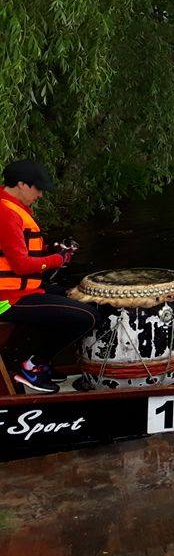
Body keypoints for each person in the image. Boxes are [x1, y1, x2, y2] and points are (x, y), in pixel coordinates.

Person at [1, 160, 98, 394]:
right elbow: (22, 265)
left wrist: (52, 253)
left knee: (83, 299)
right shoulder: (5, 213)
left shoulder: (12, 208)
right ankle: (31, 367)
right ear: (22, 185)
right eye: (38, 188)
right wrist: (57, 260)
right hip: (6, 299)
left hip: (21, 290)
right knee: (87, 316)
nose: (41, 195)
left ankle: (36, 361)